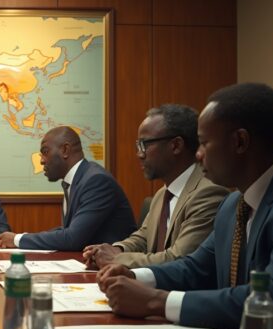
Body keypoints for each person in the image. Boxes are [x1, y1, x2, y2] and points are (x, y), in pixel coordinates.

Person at [97, 83, 273, 329]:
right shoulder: (234, 204)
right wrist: (135, 275)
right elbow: (196, 267)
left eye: (204, 143)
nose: (197, 155)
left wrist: (157, 301)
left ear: (240, 142)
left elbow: (272, 301)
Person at [83, 104, 228, 268]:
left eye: (145, 144)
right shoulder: (163, 193)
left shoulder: (208, 193)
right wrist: (115, 249)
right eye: (138, 145)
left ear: (176, 145)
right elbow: (144, 237)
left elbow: (178, 259)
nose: (139, 154)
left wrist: (114, 259)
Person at [0, 126, 136, 251]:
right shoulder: (77, 179)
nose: (42, 160)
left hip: (115, 270)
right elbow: (68, 231)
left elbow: (72, 238)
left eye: (45, 151)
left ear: (65, 150)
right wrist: (21, 238)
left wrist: (18, 239)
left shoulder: (96, 181)